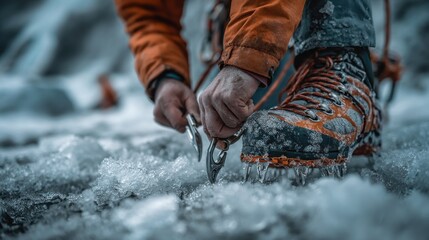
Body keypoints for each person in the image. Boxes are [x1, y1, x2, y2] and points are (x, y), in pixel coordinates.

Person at [115, 0, 380, 175]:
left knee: (276, 137)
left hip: (269, 34)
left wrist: (246, 60)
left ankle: (345, 70)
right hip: (261, 40)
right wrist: (164, 75)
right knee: (267, 133)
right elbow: (147, 10)